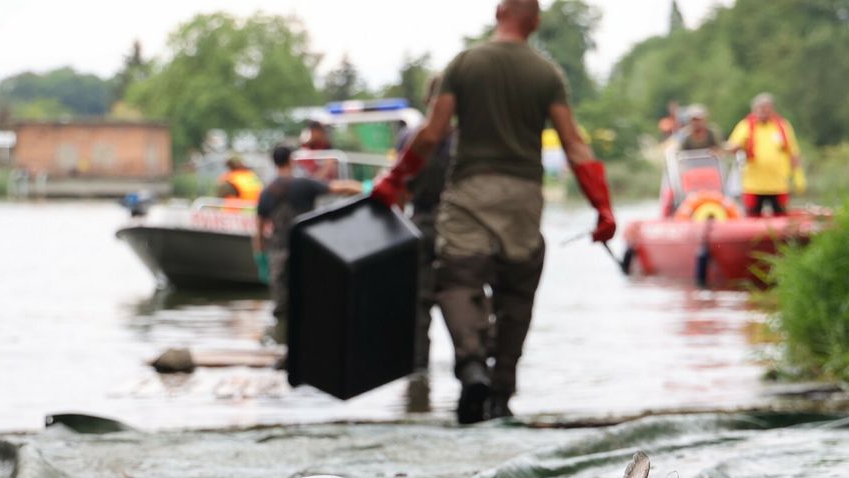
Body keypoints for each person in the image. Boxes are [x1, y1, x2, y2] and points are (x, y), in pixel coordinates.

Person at [371, 0, 615, 425]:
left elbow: (432, 133)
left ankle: (471, 368)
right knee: (517, 293)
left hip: (470, 192)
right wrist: (602, 207)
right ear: (534, 22)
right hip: (523, 196)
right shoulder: (546, 74)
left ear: (499, 12)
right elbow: (575, 146)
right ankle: (501, 393)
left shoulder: (464, 64)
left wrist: (393, 181)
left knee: (457, 280)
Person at [254, 145, 361, 326]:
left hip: (278, 253)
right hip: (305, 252)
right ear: (291, 160)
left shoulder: (266, 192)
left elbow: (258, 231)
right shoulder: (305, 184)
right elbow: (342, 187)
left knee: (281, 306)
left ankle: (281, 342)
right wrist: (366, 187)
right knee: (308, 301)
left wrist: (260, 256)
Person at [398, 76, 454, 374]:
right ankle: (473, 366)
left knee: (418, 304)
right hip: (458, 227)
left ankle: (417, 372)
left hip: (419, 223)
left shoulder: (410, 138)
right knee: (462, 297)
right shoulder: (463, 140)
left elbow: (400, 187)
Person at [725, 92, 804, 217]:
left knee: (781, 217)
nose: (764, 111)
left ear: (773, 109)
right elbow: (732, 146)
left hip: (779, 184)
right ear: (754, 109)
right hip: (753, 184)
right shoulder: (745, 126)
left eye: (767, 108)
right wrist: (733, 147)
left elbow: (793, 152)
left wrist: (798, 176)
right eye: (761, 108)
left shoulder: (782, 126)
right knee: (752, 218)